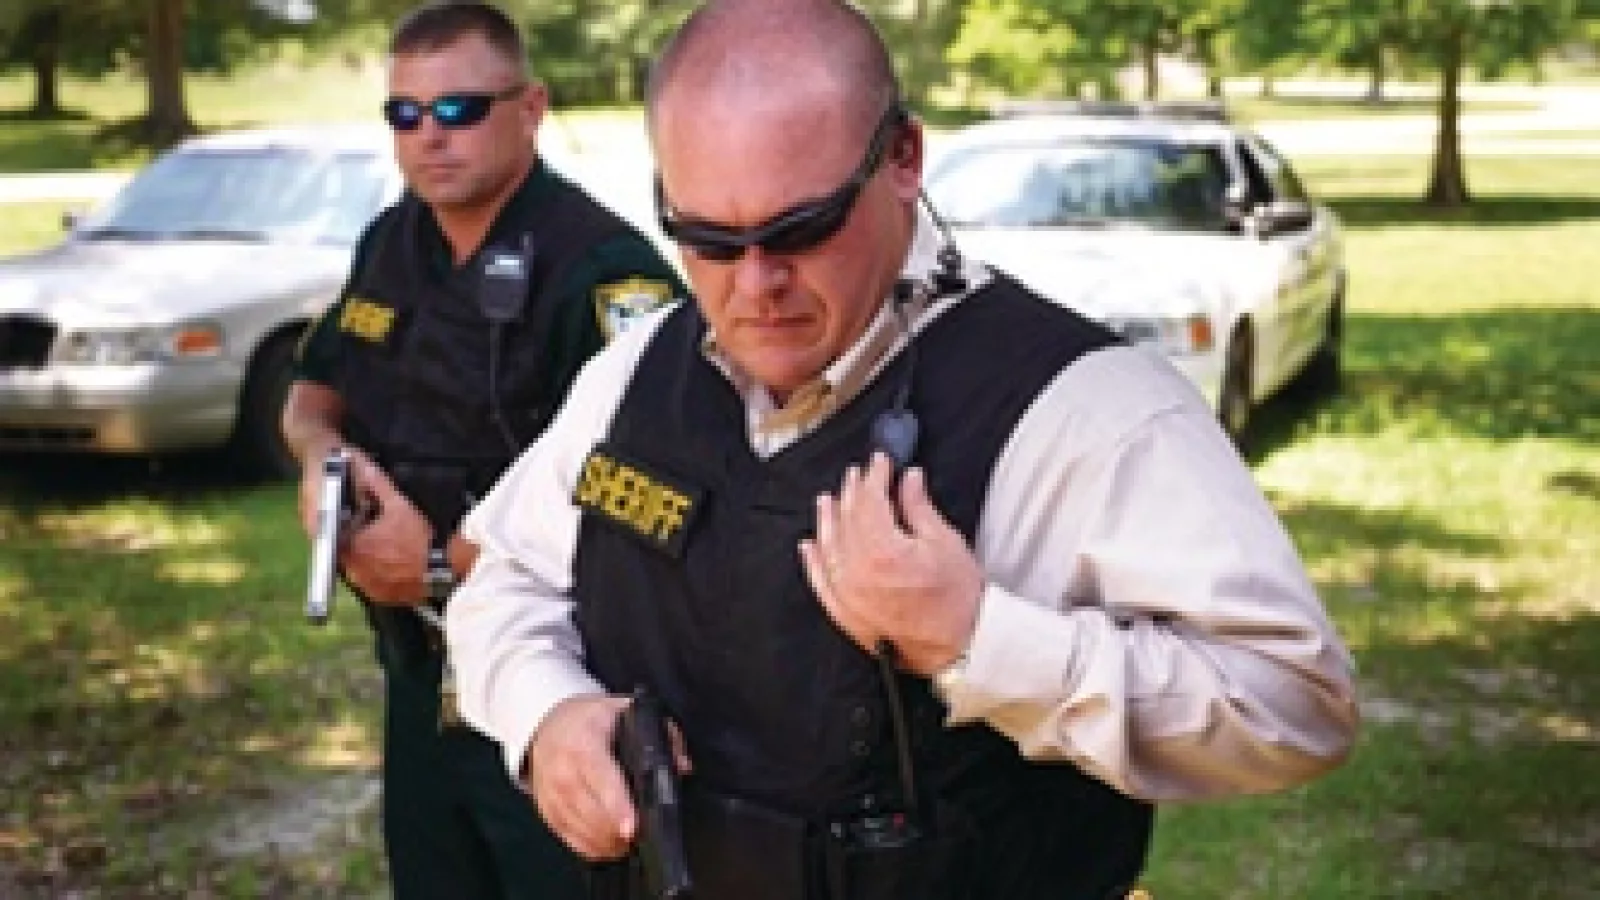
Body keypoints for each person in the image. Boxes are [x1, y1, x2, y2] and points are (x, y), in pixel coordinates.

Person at [446, 1, 1360, 898]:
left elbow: (1292, 706)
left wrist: (978, 640)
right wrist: (547, 712)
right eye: (708, 239)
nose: (756, 285)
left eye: (800, 229)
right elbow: (500, 575)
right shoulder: (637, 372)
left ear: (903, 160)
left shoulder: (1086, 412)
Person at [281, 3, 683, 897]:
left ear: (531, 108)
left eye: (459, 109)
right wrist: (322, 461)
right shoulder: (392, 244)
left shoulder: (604, 271)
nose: (430, 136)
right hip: (418, 678)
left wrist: (436, 563)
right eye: (405, 114)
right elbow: (313, 393)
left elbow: (642, 492)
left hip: (552, 688)